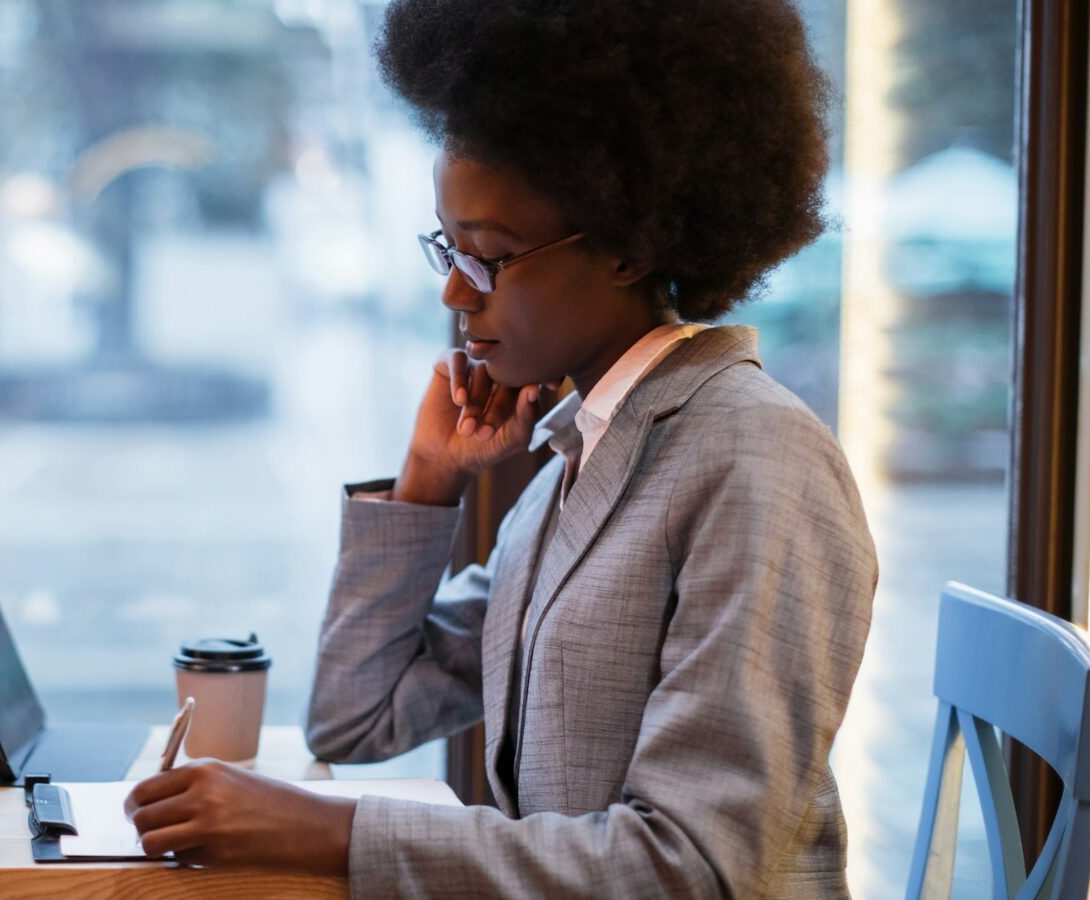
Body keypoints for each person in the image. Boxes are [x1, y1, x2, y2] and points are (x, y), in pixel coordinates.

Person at [124, 0, 878, 895]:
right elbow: (355, 717)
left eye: (488, 255)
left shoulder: (755, 461)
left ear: (628, 245)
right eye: (448, 247)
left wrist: (333, 831)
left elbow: (693, 870)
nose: (454, 290)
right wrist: (427, 482)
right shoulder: (588, 455)